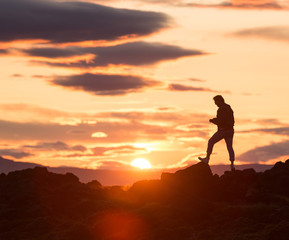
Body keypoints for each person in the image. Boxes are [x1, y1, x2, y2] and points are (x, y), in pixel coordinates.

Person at [198, 95, 235, 171]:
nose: (215, 104)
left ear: (219, 101)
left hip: (223, 130)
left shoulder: (221, 109)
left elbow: (221, 121)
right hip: (230, 130)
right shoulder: (228, 107)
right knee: (230, 147)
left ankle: (207, 159)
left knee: (211, 141)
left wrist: (213, 120)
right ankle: (232, 165)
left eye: (216, 102)